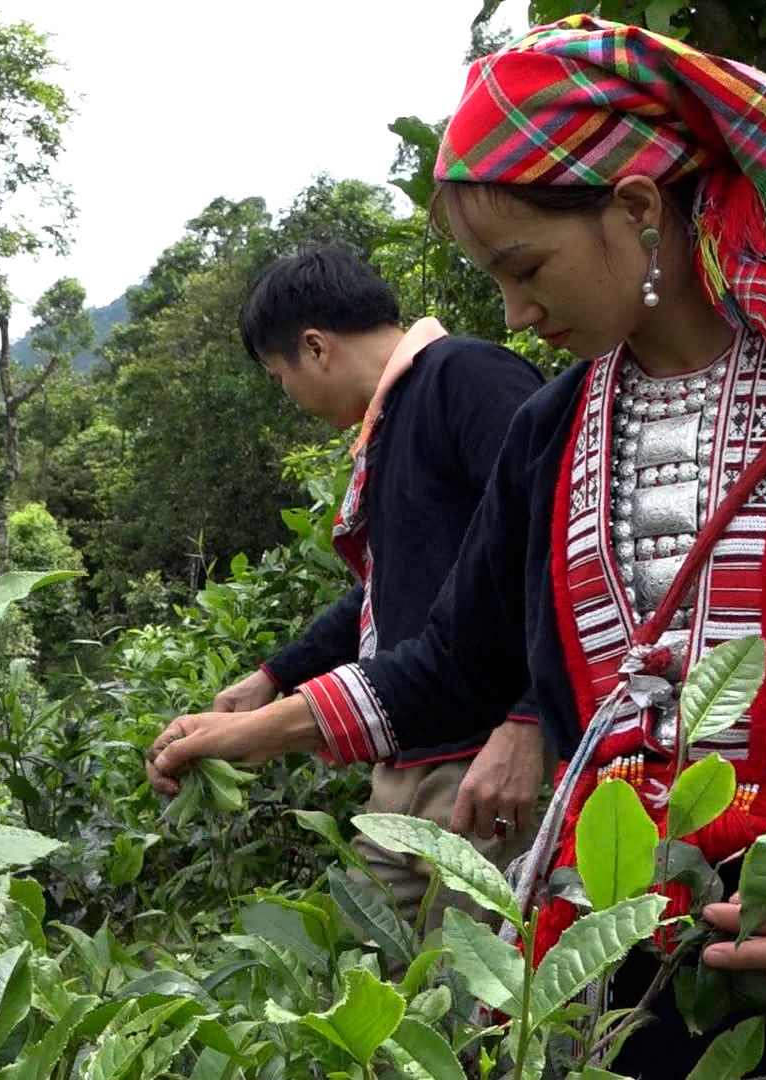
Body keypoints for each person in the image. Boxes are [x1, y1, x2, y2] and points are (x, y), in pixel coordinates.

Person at [146, 16, 766, 1080]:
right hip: (620, 987)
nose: (516, 311)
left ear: (639, 210)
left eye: (525, 267)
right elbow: (458, 664)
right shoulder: (550, 431)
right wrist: (254, 729)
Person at [145, 244, 548, 937]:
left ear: (315, 346)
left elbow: (558, 548)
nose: (292, 400)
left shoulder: (466, 379)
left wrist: (530, 720)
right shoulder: (392, 426)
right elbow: (389, 592)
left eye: (282, 379)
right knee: (369, 971)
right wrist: (272, 677)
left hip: (482, 767)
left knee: (477, 989)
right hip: (406, 767)